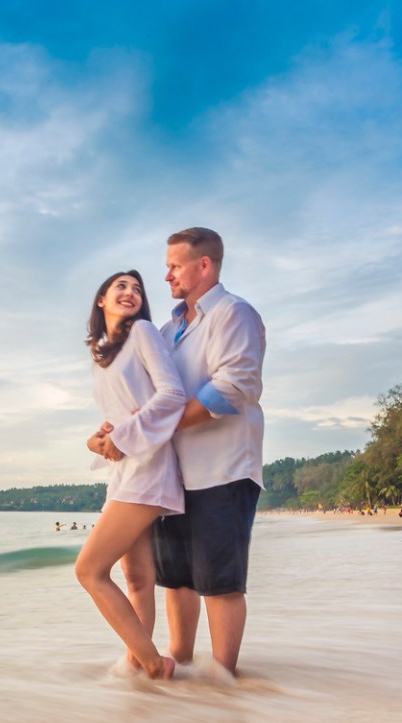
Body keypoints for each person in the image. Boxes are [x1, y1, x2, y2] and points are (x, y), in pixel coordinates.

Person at [124, 227, 265, 678]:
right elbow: (152, 396)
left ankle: (224, 680)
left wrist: (160, 421)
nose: (166, 275)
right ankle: (181, 668)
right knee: (178, 579)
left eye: (174, 265)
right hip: (172, 476)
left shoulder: (233, 313)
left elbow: (234, 386)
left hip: (223, 469)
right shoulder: (166, 330)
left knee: (220, 582)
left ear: (204, 265)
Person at [77, 270, 187, 681]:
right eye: (121, 286)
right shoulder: (102, 355)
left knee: (89, 570)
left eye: (137, 289)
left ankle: (156, 665)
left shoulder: (143, 331)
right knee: (137, 578)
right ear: (101, 298)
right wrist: (99, 440)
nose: (130, 293)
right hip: (124, 469)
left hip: (149, 465)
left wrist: (123, 437)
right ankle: (135, 666)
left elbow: (172, 394)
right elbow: (116, 416)